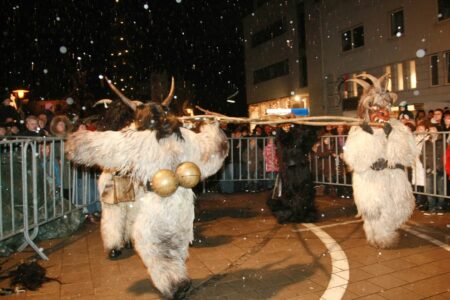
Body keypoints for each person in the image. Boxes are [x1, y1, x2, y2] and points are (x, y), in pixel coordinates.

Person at [343, 73, 417, 248]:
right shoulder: (359, 129)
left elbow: (407, 153)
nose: (382, 112)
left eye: (385, 107)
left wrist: (391, 134)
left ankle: (383, 234)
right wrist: (371, 135)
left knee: (396, 207)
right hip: (369, 178)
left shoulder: (397, 127)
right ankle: (380, 236)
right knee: (373, 210)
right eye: (377, 108)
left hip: (392, 176)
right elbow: (352, 156)